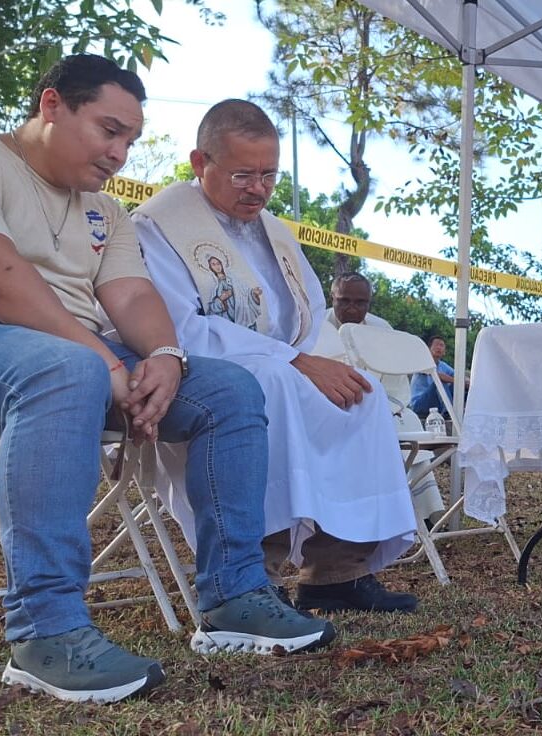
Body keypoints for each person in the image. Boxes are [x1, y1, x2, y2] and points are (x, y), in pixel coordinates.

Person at [0, 55, 334, 704]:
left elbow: (133, 296)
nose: (120, 153)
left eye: (131, 140)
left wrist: (165, 355)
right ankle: (45, 631)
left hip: (76, 365)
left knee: (227, 388)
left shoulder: (105, 212)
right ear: (52, 106)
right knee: (71, 368)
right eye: (109, 131)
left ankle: (235, 599)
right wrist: (110, 364)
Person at [134, 99, 418, 614]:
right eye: (243, 174)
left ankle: (336, 573)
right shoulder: (160, 225)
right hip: (196, 369)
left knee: (361, 396)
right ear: (201, 163)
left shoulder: (276, 231)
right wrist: (292, 362)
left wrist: (305, 360)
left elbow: (303, 317)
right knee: (274, 384)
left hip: (277, 364)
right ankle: (253, 571)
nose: (258, 189)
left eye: (268, 174)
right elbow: (176, 327)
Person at [316, 272, 446, 527]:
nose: (352, 308)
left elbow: (396, 384)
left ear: (369, 302)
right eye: (344, 301)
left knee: (407, 421)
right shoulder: (313, 327)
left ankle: (422, 516)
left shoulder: (381, 328)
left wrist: (384, 407)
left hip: (379, 405)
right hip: (326, 407)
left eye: (360, 302)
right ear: (332, 298)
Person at [410, 335, 465, 418]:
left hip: (435, 405)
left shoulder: (443, 365)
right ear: (429, 349)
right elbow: (438, 376)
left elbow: (458, 376)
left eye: (441, 345)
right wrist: (459, 381)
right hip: (419, 404)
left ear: (444, 352)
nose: (439, 348)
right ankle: (449, 413)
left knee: (459, 385)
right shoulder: (422, 362)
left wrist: (466, 382)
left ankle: (466, 410)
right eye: (436, 345)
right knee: (440, 382)